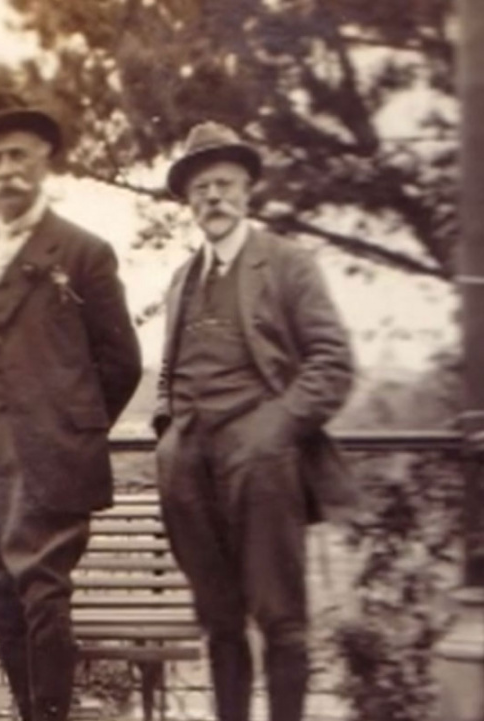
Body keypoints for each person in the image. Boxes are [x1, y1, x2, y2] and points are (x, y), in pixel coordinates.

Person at [0, 92, 142, 721]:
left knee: (43, 594)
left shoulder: (83, 253)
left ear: (43, 161)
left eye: (18, 156)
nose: (7, 170)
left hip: (48, 458)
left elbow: (122, 363)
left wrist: (71, 429)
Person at [153, 122, 357, 721]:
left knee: (281, 619)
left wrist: (275, 428)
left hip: (262, 466)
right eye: (201, 189)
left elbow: (332, 362)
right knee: (219, 621)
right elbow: (168, 370)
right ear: (188, 202)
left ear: (246, 190)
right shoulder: (182, 279)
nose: (213, 197)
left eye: (224, 184)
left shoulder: (287, 264)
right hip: (191, 470)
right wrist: (169, 432)